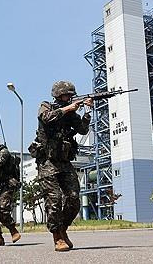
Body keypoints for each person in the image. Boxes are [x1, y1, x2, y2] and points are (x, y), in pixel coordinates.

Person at [31, 80, 92, 251]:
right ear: (58, 94)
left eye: (71, 95)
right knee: (54, 199)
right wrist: (68, 109)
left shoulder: (71, 114)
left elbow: (82, 130)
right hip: (48, 162)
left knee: (73, 198)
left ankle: (63, 228)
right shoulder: (46, 106)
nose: (69, 98)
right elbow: (46, 118)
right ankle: (57, 236)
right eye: (66, 95)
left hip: (64, 162)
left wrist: (87, 112)